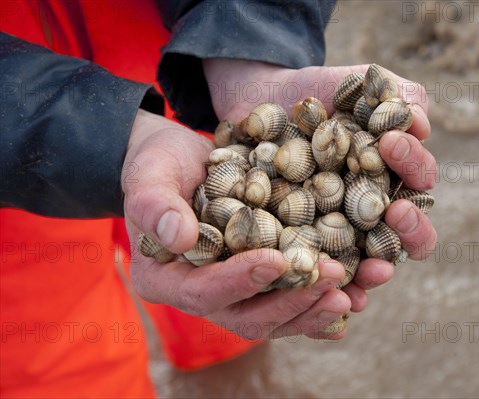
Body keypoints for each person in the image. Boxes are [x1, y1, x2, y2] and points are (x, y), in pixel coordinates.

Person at [0, 1, 437, 397]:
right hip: (13, 135)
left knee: (225, 285)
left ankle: (230, 380)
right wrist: (119, 136)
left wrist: (251, 41)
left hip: (173, 46)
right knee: (54, 356)